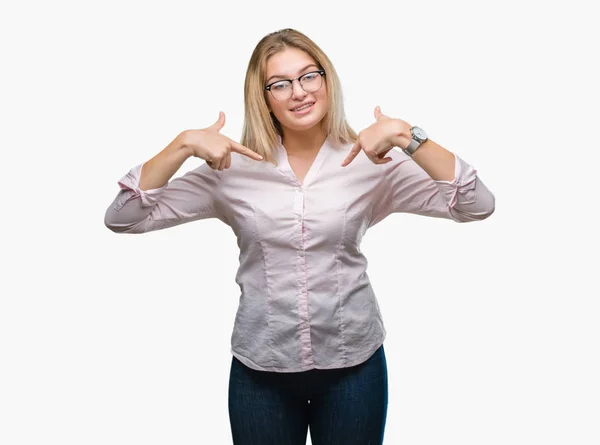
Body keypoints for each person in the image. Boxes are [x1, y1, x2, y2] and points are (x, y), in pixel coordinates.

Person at [104, 28, 495, 445]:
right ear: (263, 97)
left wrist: (406, 137)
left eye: (310, 76)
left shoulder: (372, 164)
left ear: (327, 81)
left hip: (354, 366)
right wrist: (181, 145)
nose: (299, 92)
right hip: (261, 371)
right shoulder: (231, 170)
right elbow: (124, 217)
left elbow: (476, 204)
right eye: (280, 83)